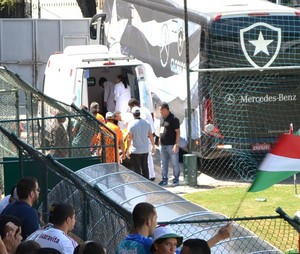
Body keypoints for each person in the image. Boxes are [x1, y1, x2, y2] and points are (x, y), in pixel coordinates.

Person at [128, 98, 156, 181]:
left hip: (146, 136)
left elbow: (139, 125)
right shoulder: (145, 109)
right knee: (147, 158)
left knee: (147, 159)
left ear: (133, 105)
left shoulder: (141, 112)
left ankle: (151, 176)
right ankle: (151, 175)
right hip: (149, 134)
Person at [158, 102, 180, 187]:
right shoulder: (161, 118)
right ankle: (164, 179)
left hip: (171, 145)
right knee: (163, 163)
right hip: (163, 145)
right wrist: (159, 140)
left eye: (161, 110)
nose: (160, 112)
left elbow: (177, 132)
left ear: (165, 109)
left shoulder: (174, 119)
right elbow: (161, 129)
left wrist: (176, 144)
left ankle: (176, 180)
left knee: (175, 163)